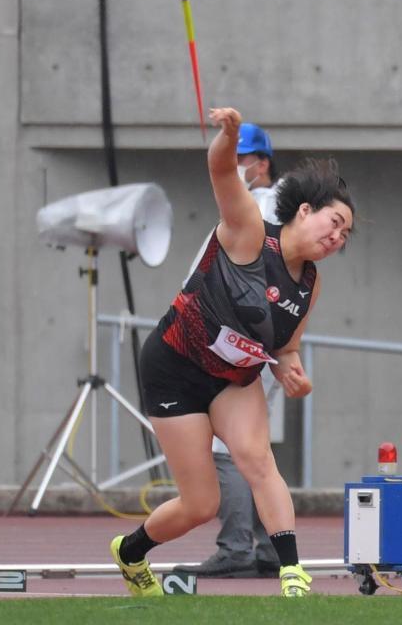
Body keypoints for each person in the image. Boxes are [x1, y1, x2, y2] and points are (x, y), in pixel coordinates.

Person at [110, 107, 354, 598]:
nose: (337, 237)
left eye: (346, 235)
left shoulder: (310, 284)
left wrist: (294, 372)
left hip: (232, 379)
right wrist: (229, 136)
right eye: (335, 222)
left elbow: (286, 347)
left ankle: (291, 573)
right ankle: (131, 552)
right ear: (305, 210)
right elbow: (222, 171)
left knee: (259, 461)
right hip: (175, 367)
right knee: (201, 504)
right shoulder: (248, 229)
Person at [185, 121, 283, 578]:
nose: (234, 168)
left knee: (228, 450)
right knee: (256, 450)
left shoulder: (263, 204)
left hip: (232, 339)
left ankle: (236, 547)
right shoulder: (277, 204)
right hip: (259, 338)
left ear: (261, 163)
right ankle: (266, 548)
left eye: (241, 160)